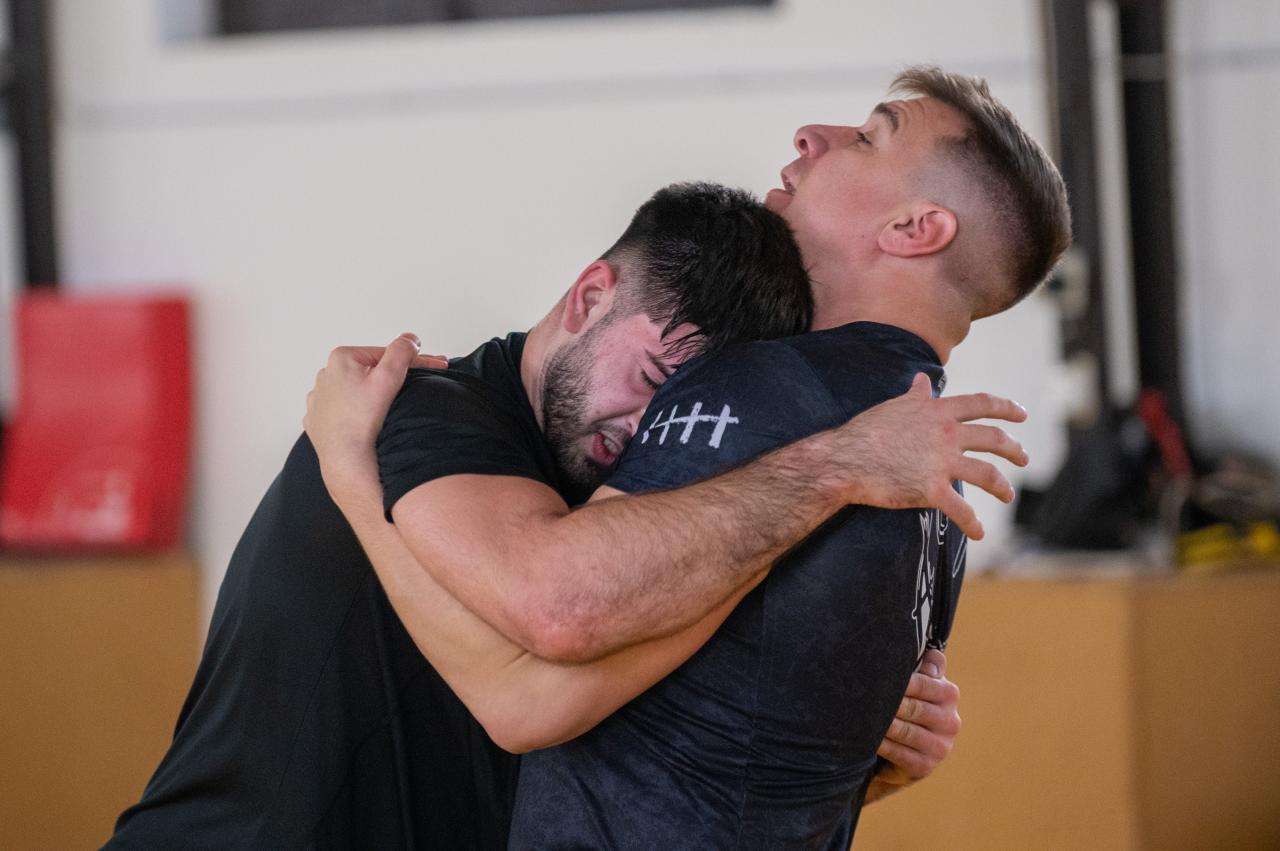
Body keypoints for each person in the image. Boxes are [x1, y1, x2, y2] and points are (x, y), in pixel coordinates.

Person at [107, 182, 1012, 849]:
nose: (644, 427)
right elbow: (534, 686)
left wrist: (861, 755)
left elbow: (646, 755)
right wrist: (350, 471)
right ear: (588, 297)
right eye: (650, 378)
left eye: (677, 411)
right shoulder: (417, 414)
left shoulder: (628, 521)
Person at [307, 65, 1070, 848]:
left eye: (869, 138)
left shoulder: (775, 394)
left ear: (914, 228)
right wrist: (873, 773)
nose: (814, 136)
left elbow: (552, 622)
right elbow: (750, 758)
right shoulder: (935, 488)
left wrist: (351, 474)